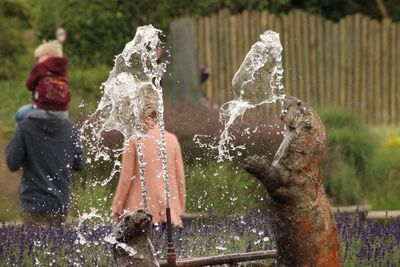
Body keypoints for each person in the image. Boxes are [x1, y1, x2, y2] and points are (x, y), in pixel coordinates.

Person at [112, 87, 186, 227]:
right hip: (169, 212)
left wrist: (117, 208)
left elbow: (126, 178)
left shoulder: (133, 139)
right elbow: (180, 178)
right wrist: (180, 207)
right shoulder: (171, 139)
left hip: (139, 214)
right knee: (167, 248)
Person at [5, 117, 85, 229]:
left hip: (34, 201)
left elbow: (12, 163)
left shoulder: (26, 128)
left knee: (33, 244)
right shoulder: (69, 128)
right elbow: (79, 164)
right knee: (55, 244)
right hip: (60, 202)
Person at [15, 40, 70, 123]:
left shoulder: (41, 66)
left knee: (19, 115)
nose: (37, 60)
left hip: (43, 110)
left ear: (46, 55)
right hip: (63, 112)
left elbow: (29, 85)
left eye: (38, 57)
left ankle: (22, 134)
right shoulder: (63, 70)